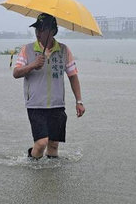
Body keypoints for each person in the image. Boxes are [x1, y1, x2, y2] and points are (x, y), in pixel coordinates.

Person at [12, 13, 85, 159]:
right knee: (41, 143)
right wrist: (33, 65)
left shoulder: (64, 50)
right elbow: (16, 72)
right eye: (36, 29)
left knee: (53, 145)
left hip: (57, 105)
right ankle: (32, 165)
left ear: (52, 31)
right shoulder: (27, 49)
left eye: (42, 29)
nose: (38, 33)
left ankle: (51, 178)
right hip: (36, 105)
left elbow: (73, 76)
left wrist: (79, 101)